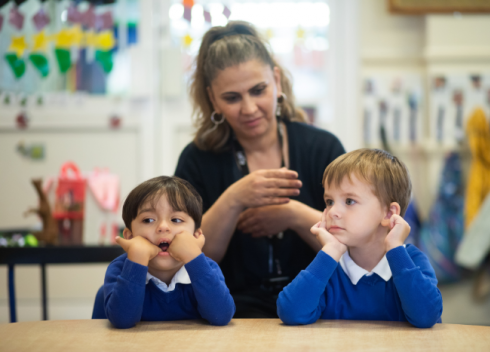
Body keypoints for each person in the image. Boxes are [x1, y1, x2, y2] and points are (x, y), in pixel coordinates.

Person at [175, 21, 345, 318]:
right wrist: (233, 199)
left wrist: (293, 214)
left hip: (319, 305)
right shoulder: (196, 159)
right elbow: (188, 256)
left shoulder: (323, 147)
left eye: (258, 90)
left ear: (276, 81)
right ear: (213, 99)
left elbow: (355, 245)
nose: (250, 108)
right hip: (228, 313)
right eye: (232, 97)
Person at [277, 149, 443, 328]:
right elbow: (290, 312)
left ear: (388, 213)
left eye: (349, 201)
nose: (332, 212)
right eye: (329, 201)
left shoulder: (411, 260)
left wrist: (395, 248)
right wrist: (330, 252)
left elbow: (427, 316)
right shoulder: (330, 265)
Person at [103, 176, 235, 328]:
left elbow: (222, 316)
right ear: (130, 236)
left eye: (176, 220)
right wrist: (136, 260)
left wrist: (193, 256)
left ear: (196, 236)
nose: (163, 227)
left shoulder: (207, 268)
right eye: (148, 220)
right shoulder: (120, 269)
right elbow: (122, 320)